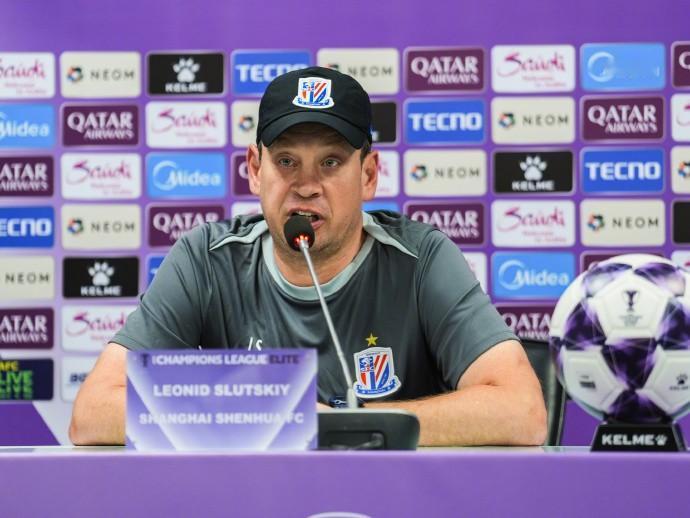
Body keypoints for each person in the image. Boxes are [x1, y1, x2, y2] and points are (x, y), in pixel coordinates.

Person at [69, 66, 546, 446]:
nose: (306, 186)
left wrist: (341, 426)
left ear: (369, 174)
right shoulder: (206, 260)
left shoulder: (420, 260)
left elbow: (522, 411)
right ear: (254, 169)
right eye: (286, 161)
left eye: (331, 162)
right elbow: (92, 413)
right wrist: (273, 418)